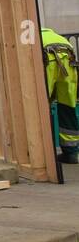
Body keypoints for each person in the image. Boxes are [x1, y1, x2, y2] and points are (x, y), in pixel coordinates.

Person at [43, 27, 78, 165]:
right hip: (68, 59)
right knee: (67, 106)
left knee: (39, 106)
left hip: (48, 58)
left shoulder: (28, 37)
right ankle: (72, 153)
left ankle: (43, 154)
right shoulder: (54, 35)